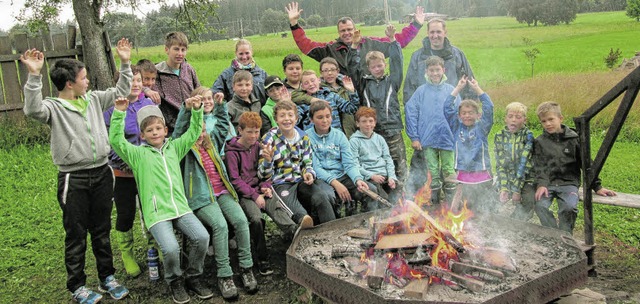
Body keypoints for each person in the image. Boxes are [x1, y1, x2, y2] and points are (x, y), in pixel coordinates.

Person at [21, 40, 132, 303]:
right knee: (76, 234)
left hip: (103, 174)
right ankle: (77, 285)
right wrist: (34, 75)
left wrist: (125, 62)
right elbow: (32, 109)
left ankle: (107, 278)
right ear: (69, 83)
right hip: (75, 178)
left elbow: (122, 90)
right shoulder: (53, 108)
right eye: (84, 78)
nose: (88, 82)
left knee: (102, 230)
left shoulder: (93, 99)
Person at [109, 97, 211, 304]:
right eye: (149, 130)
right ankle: (174, 280)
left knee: (201, 237)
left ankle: (193, 276)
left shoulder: (175, 148)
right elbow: (116, 141)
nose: (155, 132)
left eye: (158, 128)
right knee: (171, 248)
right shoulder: (137, 155)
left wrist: (197, 110)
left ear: (165, 130)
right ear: (142, 135)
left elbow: (192, 133)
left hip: (181, 208)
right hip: (157, 213)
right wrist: (119, 113)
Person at [173, 97, 258, 301]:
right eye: (197, 131)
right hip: (201, 198)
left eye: (203, 131)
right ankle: (225, 275)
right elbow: (179, 130)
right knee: (220, 226)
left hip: (222, 192)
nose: (201, 135)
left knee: (241, 221)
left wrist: (220, 106)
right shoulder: (183, 149)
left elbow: (221, 124)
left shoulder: (211, 144)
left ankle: (246, 268)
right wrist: (187, 110)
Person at [404, 17, 475, 197]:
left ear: (445, 32)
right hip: (425, 127)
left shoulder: (457, 55)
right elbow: (408, 92)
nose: (435, 35)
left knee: (452, 165)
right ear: (427, 34)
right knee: (425, 168)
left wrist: (467, 120)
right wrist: (415, 132)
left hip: (449, 128)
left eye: (438, 32)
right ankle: (421, 198)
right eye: (432, 32)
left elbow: (469, 87)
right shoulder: (418, 56)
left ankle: (460, 199)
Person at [225, 112, 300, 276]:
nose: (253, 136)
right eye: (249, 132)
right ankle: (262, 258)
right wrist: (254, 195)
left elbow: (265, 172)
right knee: (256, 219)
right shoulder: (232, 152)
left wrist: (266, 185)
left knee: (281, 213)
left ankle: (297, 244)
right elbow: (235, 180)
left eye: (257, 132)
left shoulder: (259, 146)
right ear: (240, 130)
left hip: (261, 189)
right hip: (245, 194)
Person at [103, 64, 156, 278]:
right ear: (121, 84)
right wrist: (129, 160)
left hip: (146, 170)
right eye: (131, 81)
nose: (136, 84)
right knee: (126, 214)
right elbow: (111, 142)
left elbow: (156, 132)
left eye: (139, 80)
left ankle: (155, 246)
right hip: (123, 172)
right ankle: (127, 254)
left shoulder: (149, 103)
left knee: (150, 208)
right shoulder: (111, 109)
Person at [533, 102, 616, 234]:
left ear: (560, 118)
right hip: (548, 183)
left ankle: (566, 234)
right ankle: (553, 234)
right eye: (543, 121)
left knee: (568, 208)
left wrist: (597, 187)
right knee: (540, 206)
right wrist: (542, 184)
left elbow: (587, 163)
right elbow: (539, 166)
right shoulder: (540, 141)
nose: (547, 124)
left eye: (551, 119)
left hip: (568, 183)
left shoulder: (575, 139)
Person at [285, 2, 425, 77]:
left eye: (349, 29)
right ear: (338, 32)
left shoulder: (370, 44)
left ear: (355, 29)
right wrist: (294, 24)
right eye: (343, 30)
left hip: (369, 93)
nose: (347, 33)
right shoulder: (330, 49)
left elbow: (399, 42)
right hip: (344, 98)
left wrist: (416, 24)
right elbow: (306, 46)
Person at [350, 25, 407, 193]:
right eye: (373, 66)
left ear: (384, 64)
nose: (377, 69)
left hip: (392, 131)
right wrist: (354, 47)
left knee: (399, 166)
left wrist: (393, 40)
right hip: (372, 134)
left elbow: (398, 63)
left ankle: (402, 197)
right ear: (368, 68)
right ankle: (384, 200)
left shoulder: (392, 81)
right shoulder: (364, 84)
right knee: (377, 165)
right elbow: (353, 69)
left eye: (380, 65)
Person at [258, 100, 332, 225]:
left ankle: (333, 229)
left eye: (290, 115)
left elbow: (307, 162)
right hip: (280, 183)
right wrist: (267, 161)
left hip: (300, 181)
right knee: (302, 216)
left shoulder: (303, 137)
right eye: (282, 116)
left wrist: (308, 173)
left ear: (296, 118)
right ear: (276, 119)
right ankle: (305, 232)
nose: (287, 119)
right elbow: (263, 176)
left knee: (321, 196)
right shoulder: (269, 139)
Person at [306, 100, 377, 216]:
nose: (325, 120)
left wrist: (357, 179)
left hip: (342, 175)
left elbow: (349, 163)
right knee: (327, 196)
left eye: (328, 116)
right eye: (320, 117)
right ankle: (333, 226)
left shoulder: (339, 135)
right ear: (311, 120)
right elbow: (315, 167)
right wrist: (335, 183)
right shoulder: (307, 137)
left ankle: (367, 221)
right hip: (322, 179)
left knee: (370, 190)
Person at [405, 56, 459, 205]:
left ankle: (450, 204)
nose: (435, 73)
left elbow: (458, 115)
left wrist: (459, 137)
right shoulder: (421, 91)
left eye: (438, 70)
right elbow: (411, 112)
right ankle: (435, 204)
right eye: (431, 70)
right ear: (426, 71)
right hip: (427, 140)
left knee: (449, 171)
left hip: (448, 140)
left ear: (443, 70)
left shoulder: (451, 91)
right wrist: (414, 137)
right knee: (433, 172)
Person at [444, 77, 496, 214]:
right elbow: (447, 108)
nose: (467, 116)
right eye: (464, 113)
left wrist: (477, 89)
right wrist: (457, 89)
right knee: (468, 207)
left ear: (478, 115)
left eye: (471, 113)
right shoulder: (456, 127)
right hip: (464, 174)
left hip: (482, 174)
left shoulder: (482, 128)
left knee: (485, 206)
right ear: (459, 116)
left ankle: (488, 229)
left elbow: (489, 108)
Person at [147, 31, 200, 133]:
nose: (180, 54)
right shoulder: (157, 72)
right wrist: (146, 90)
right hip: (171, 128)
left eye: (183, 50)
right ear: (167, 50)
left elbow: (198, 90)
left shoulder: (189, 69)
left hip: (191, 123)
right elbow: (139, 84)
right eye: (176, 49)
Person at [494, 102, 536, 221]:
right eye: (510, 116)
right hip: (507, 175)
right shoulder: (499, 136)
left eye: (518, 117)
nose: (514, 120)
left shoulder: (528, 136)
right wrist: (504, 188)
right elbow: (500, 164)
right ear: (505, 119)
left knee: (527, 200)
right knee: (491, 198)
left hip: (526, 177)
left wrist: (516, 190)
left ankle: (518, 222)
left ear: (524, 120)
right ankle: (492, 222)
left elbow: (524, 165)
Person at [349, 107, 398, 202]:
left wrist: (392, 176)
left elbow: (388, 159)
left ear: (375, 123)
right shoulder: (354, 141)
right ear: (357, 123)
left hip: (385, 175)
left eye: (371, 121)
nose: (368, 124)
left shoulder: (379, 139)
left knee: (401, 195)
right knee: (385, 201)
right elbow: (354, 165)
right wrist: (371, 176)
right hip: (369, 177)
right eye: (364, 121)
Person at [212, 39, 267, 105]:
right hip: (235, 114)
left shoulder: (262, 74)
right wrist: (218, 95)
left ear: (252, 52)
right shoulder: (226, 75)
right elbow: (215, 91)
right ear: (236, 53)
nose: (244, 57)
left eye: (247, 53)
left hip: (258, 113)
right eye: (241, 54)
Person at [191, 86, 236, 154]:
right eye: (203, 99)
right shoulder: (193, 121)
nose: (207, 102)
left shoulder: (220, 119)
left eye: (209, 98)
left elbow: (233, 139)